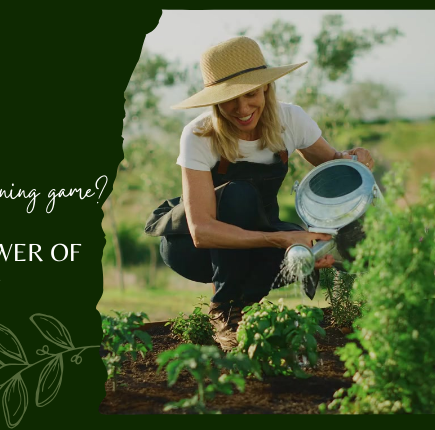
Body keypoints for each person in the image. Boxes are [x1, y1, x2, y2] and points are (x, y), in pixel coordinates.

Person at [148, 36, 375, 351]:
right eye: (230, 99)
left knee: (308, 250)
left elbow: (336, 166)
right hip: (192, 248)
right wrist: (280, 239)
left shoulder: (290, 120)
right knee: (240, 197)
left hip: (257, 234)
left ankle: (246, 311)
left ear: (266, 88)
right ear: (214, 101)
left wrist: (356, 159)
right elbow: (201, 231)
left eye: (251, 94)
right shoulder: (198, 136)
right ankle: (224, 311)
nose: (242, 109)